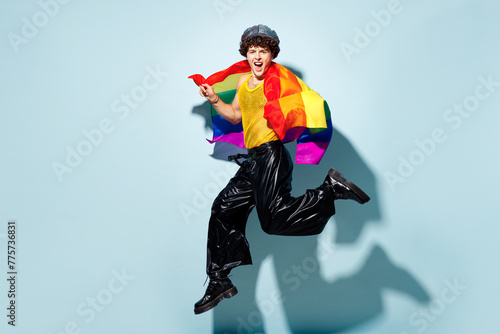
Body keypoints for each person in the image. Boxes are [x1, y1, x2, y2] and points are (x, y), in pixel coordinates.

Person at [189, 24, 370, 315]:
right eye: (252, 51)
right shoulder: (243, 82)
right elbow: (235, 115)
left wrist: (282, 111)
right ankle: (219, 280)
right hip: (253, 161)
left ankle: (329, 190)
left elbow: (303, 105)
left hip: (271, 156)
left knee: (272, 222)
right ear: (245, 54)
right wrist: (213, 99)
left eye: (263, 51)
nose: (257, 56)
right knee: (222, 208)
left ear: (271, 54)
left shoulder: (278, 81)